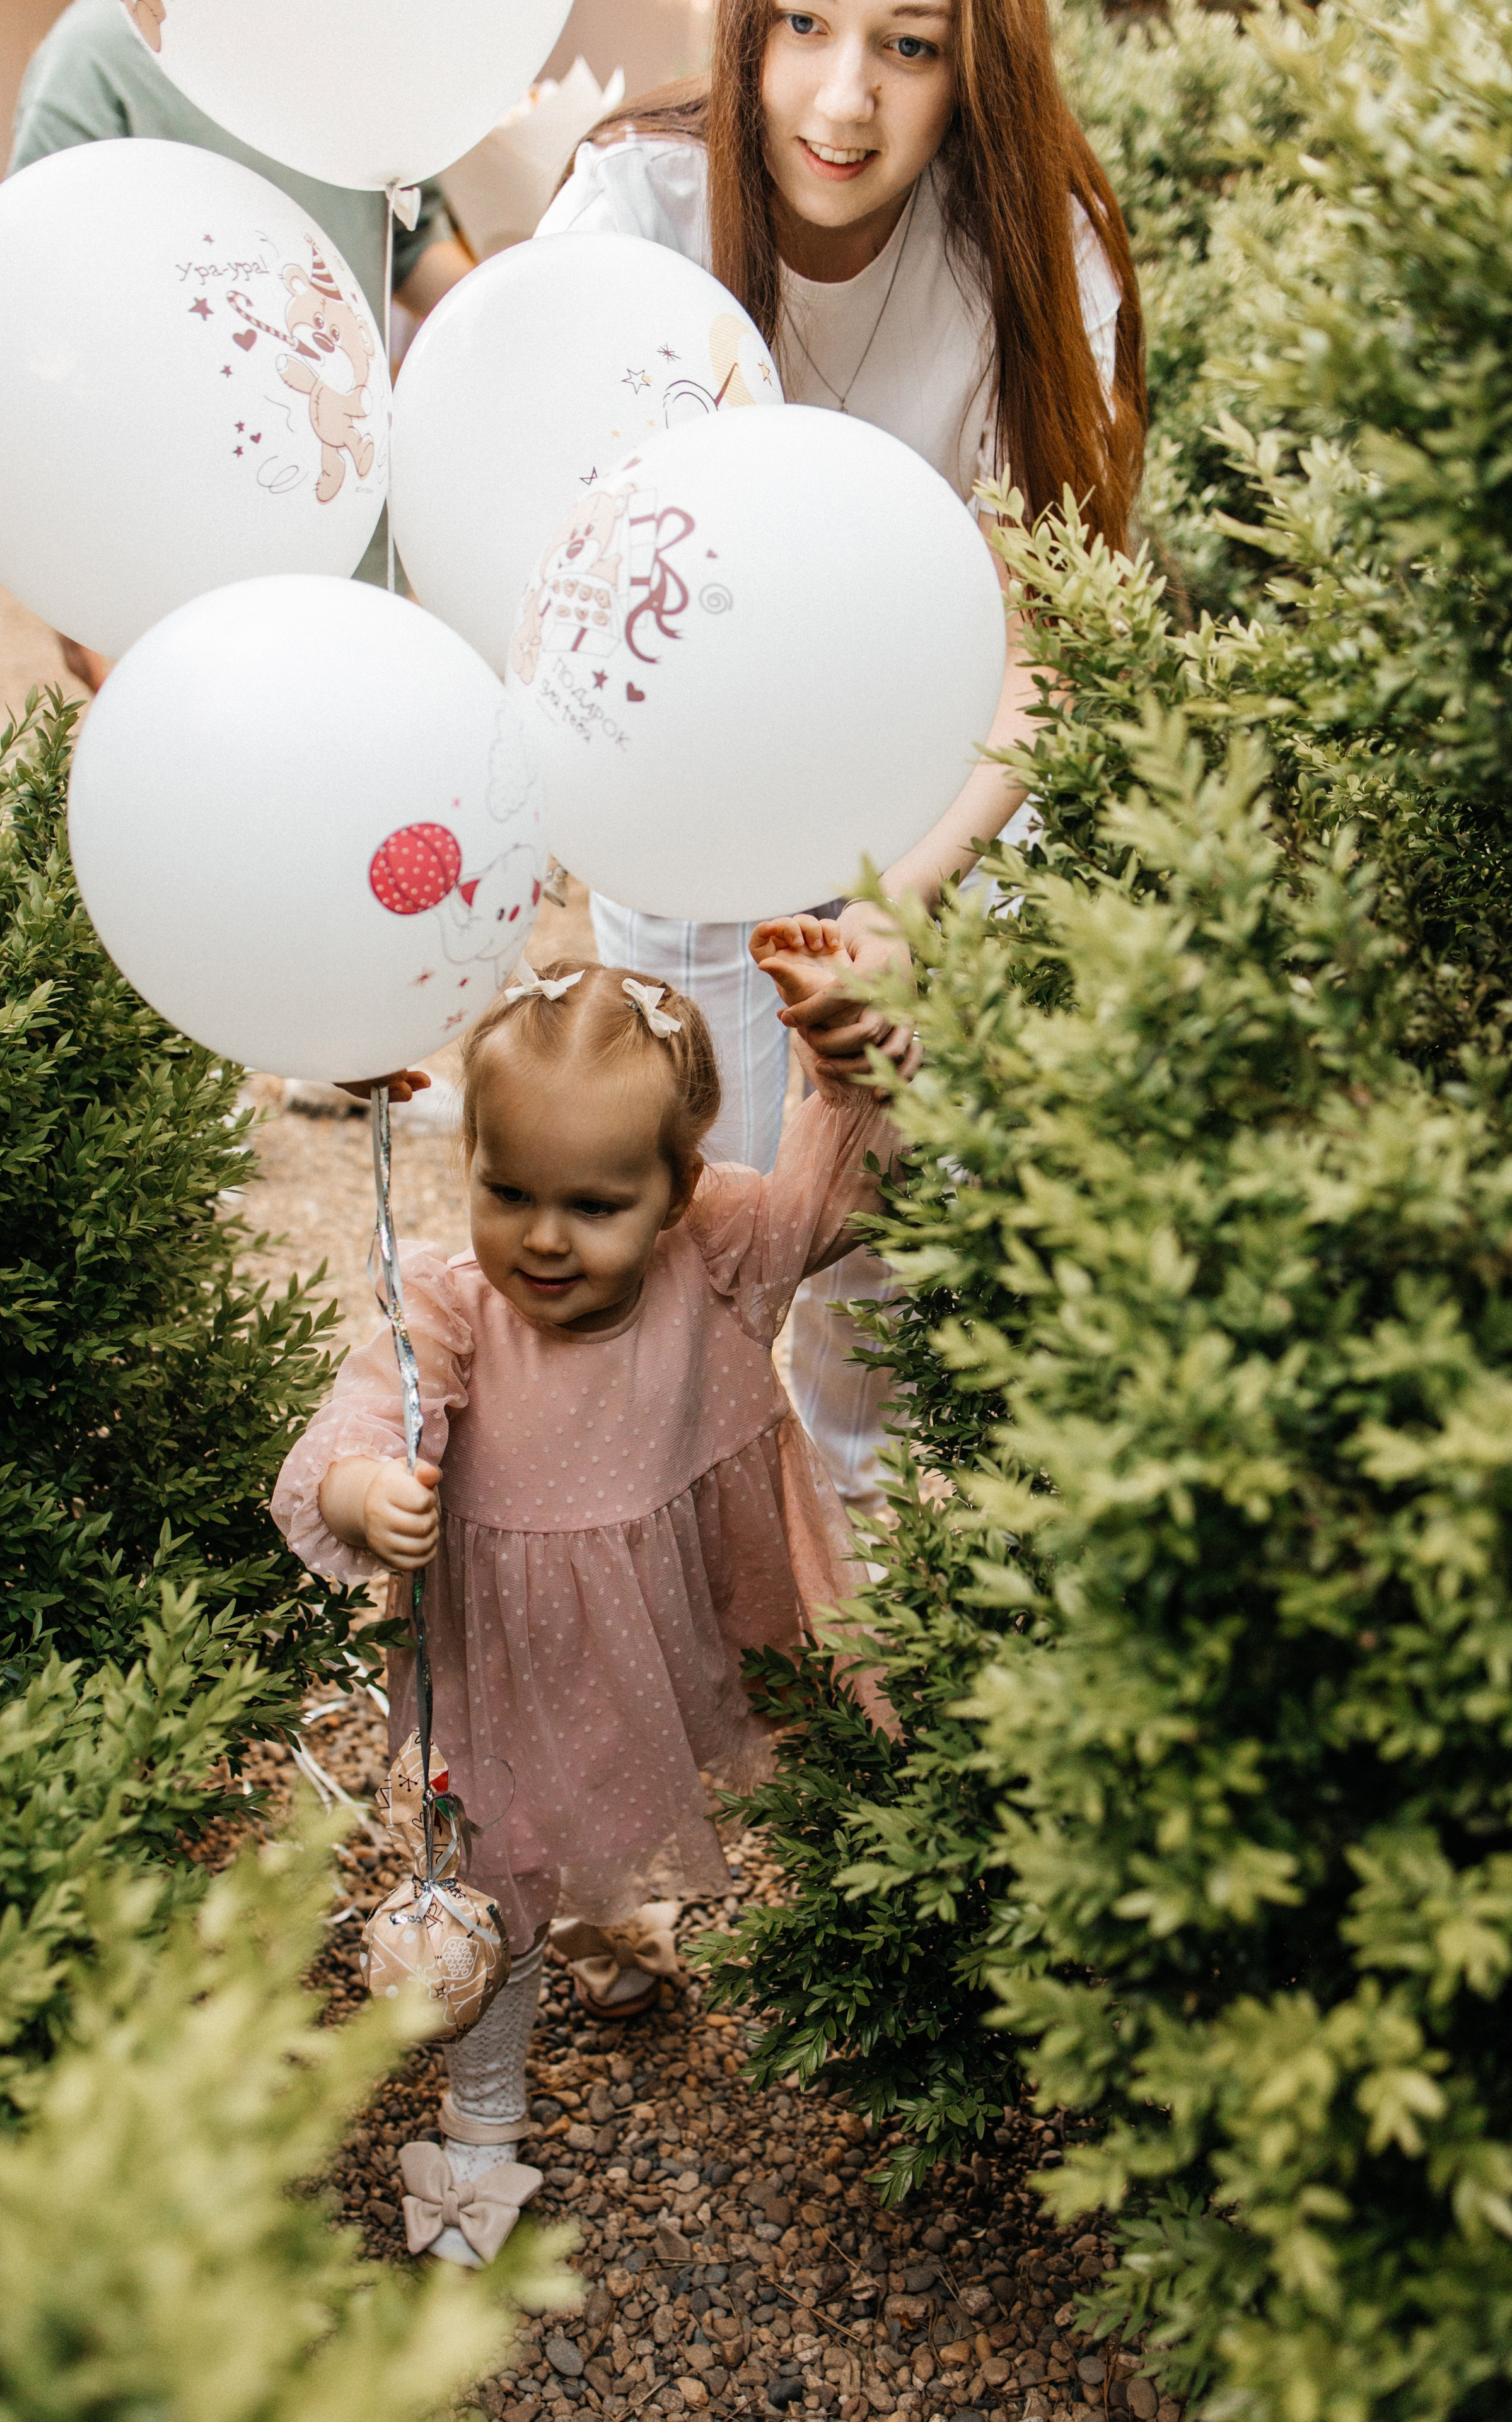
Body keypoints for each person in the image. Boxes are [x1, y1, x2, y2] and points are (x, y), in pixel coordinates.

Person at [534, 0, 1146, 1511]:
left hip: (941, 807)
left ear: (975, 66)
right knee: (705, 1244)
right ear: (740, 29)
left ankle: (879, 1659)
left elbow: (1044, 645)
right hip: (680, 789)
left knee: (892, 1275)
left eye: (909, 46)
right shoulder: (632, 206)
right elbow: (537, 573)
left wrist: (900, 895)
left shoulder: (1028, 237)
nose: (843, 100)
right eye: (802, 23)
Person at [272, 921, 904, 2263]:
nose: (542, 1241)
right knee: (503, 1857)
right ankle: (483, 2116)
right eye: (509, 1194)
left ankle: (622, 1919)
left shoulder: (724, 1256)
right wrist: (365, 1492)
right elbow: (365, 1412)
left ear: (678, 1190)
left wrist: (843, 1065)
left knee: (649, 1769)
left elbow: (835, 1197)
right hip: (510, 1657)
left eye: (596, 1207)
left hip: (684, 1616)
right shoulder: (455, 1311)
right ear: (472, 1170)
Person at [8, 0, 474, 687]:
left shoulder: (350, 42)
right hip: (178, 527)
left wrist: (518, 302)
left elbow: (410, 243)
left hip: (351, 512)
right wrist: (74, 583)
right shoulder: (100, 55)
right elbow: (36, 321)